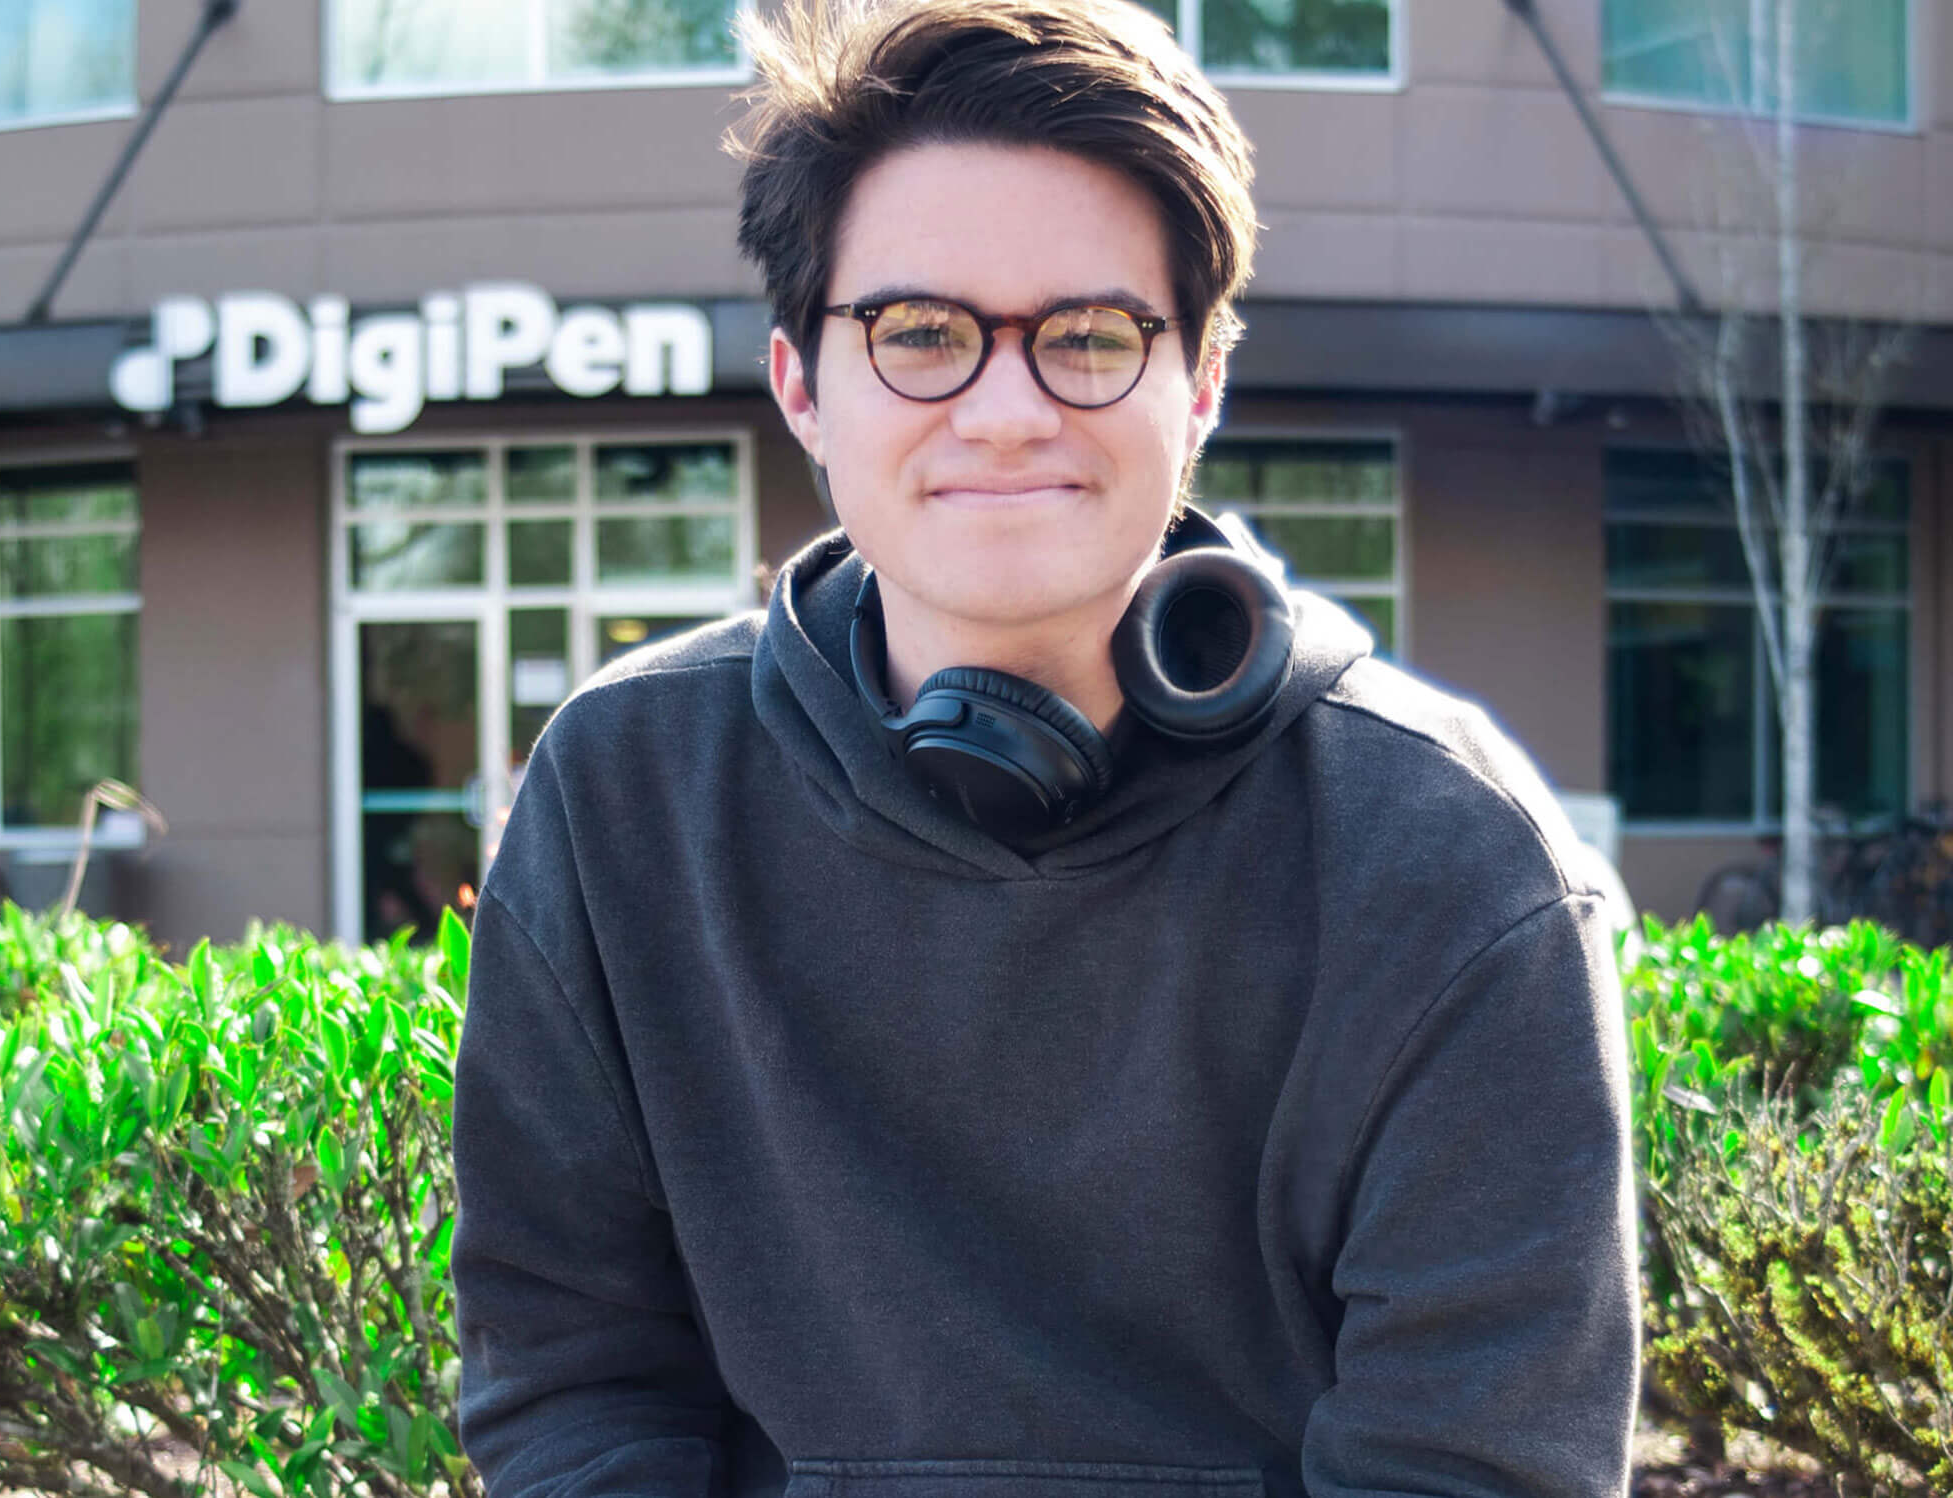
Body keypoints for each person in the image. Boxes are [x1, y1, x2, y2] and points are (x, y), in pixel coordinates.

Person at [449, 3, 1639, 1496]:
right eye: (922, 334)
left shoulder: (1449, 855)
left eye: (1088, 337)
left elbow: (1470, 1463)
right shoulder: (624, 797)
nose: (1005, 412)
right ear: (801, 383)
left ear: (1199, 381)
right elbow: (573, 1382)